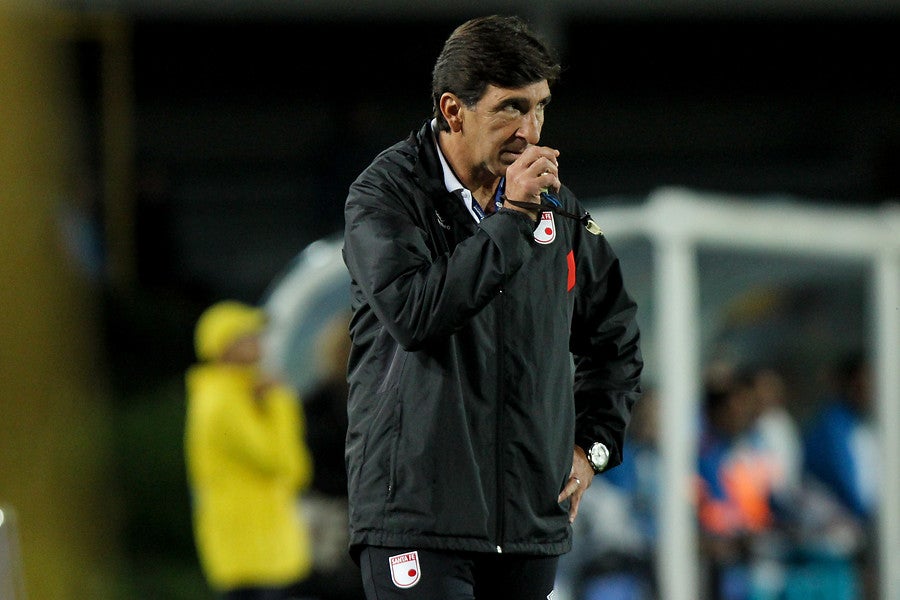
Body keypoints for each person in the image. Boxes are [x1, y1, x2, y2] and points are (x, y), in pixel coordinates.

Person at [341, 15, 643, 600]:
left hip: (528, 525)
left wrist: (592, 447)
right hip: (418, 520)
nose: (530, 132)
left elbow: (616, 339)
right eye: (510, 108)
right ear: (453, 111)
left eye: (540, 108)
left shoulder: (558, 211)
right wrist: (513, 220)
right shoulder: (385, 196)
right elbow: (415, 315)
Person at [185, 300, 315, 600]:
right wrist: (280, 401)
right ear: (224, 347)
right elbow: (286, 463)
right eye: (247, 336)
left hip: (260, 553)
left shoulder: (239, 395)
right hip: (251, 555)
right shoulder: (221, 402)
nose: (259, 343)